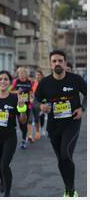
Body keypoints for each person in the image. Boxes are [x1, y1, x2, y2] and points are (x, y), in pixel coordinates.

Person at [35, 50, 87, 197]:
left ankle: (71, 191)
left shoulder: (75, 79)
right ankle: (68, 187)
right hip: (53, 125)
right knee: (61, 160)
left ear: (64, 62)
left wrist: (81, 108)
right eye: (54, 61)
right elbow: (36, 100)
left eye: (60, 60)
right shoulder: (45, 83)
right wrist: (42, 106)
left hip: (72, 122)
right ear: (50, 64)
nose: (57, 63)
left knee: (66, 155)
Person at [10, 67, 33, 149]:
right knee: (19, 123)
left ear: (26, 74)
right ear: (18, 75)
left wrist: (32, 97)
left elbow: (32, 92)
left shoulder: (30, 81)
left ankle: (23, 140)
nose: (22, 75)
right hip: (17, 104)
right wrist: (16, 92)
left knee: (24, 123)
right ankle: (17, 137)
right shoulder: (16, 81)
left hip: (27, 105)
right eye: (20, 73)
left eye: (23, 73)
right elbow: (10, 91)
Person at [28, 69, 45, 140]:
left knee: (41, 115)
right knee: (36, 116)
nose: (37, 76)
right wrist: (31, 97)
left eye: (38, 75)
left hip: (43, 101)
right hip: (35, 101)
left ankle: (42, 128)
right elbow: (31, 91)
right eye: (36, 75)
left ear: (41, 75)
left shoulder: (44, 82)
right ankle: (36, 131)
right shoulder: (34, 83)